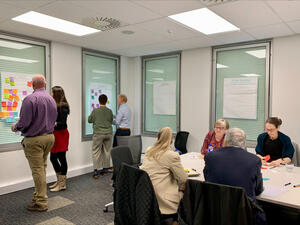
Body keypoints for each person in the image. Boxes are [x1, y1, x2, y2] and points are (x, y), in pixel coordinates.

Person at [11, 74, 57, 212]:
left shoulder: (30, 99)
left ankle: (41, 202)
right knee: (41, 168)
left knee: (38, 170)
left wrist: (16, 127)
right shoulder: (51, 99)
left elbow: (24, 122)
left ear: (32, 85)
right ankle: (38, 195)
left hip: (35, 140)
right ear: (45, 84)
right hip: (49, 137)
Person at [204, 128, 266, 225]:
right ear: (244, 142)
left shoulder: (210, 156)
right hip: (243, 213)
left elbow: (207, 178)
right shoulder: (254, 160)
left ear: (226, 140)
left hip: (214, 210)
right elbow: (258, 190)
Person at [140, 127, 187, 225]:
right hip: (162, 199)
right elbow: (183, 178)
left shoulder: (149, 150)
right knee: (185, 187)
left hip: (145, 194)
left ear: (158, 138)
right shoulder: (172, 155)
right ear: (171, 141)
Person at [48, 86, 70, 192]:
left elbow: (63, 123)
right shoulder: (55, 105)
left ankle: (62, 184)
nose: (50, 94)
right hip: (55, 134)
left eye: (51, 92)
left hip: (61, 134)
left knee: (61, 158)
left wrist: (53, 123)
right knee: (52, 158)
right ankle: (59, 180)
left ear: (56, 94)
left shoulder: (63, 106)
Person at [88, 94, 113, 179]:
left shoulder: (95, 111)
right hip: (109, 133)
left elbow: (89, 120)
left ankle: (96, 171)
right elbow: (111, 120)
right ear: (106, 101)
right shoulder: (109, 111)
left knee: (96, 151)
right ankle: (105, 169)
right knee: (107, 151)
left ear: (99, 101)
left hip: (98, 133)